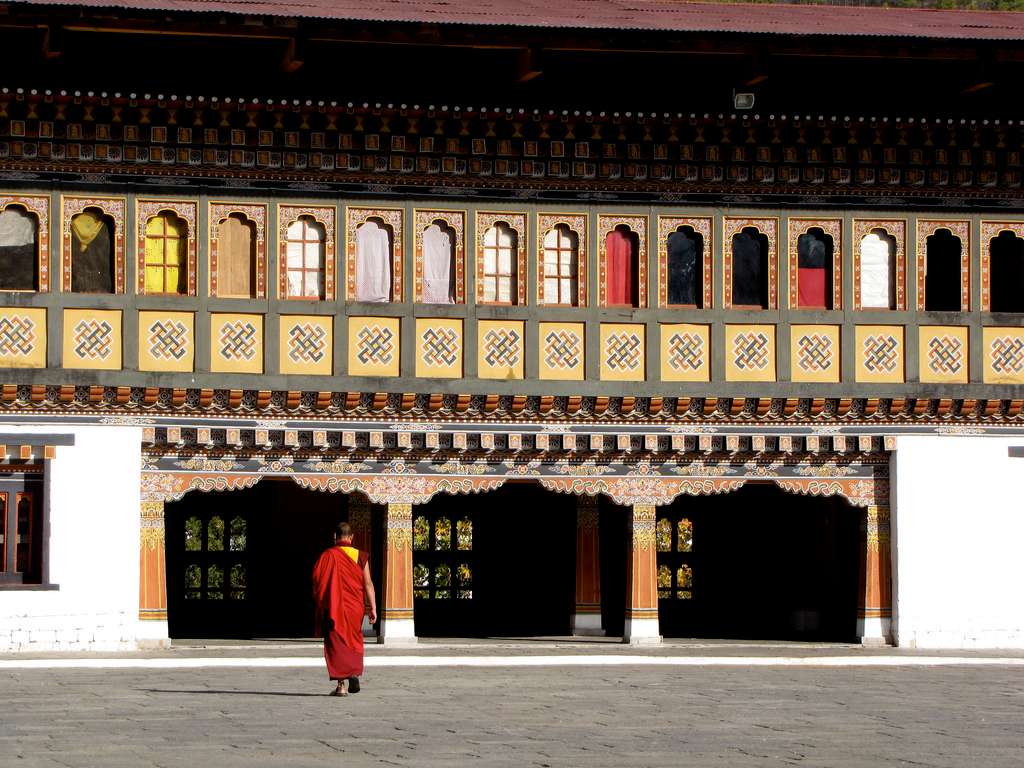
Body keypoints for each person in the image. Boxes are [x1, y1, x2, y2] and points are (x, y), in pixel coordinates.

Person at [312, 522, 377, 696]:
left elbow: (317, 580)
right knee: (353, 639)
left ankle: (341, 685)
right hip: (355, 607)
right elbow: (368, 584)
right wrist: (373, 608)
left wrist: (324, 600)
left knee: (337, 642)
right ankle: (353, 673)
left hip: (334, 606)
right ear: (351, 537)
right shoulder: (360, 556)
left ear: (335, 536)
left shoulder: (328, 555)